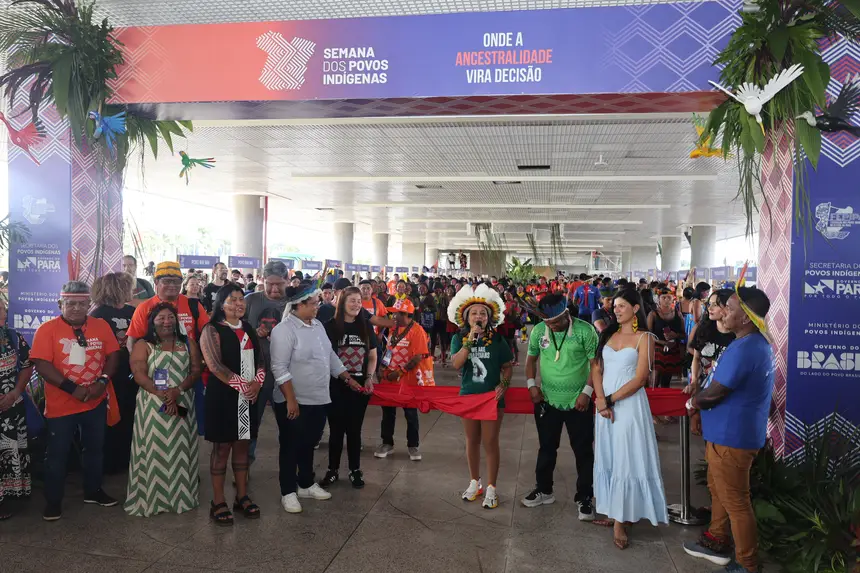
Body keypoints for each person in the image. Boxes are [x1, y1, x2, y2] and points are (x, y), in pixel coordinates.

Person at [683, 286, 775, 573]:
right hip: (724, 434)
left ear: (746, 317)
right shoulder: (745, 342)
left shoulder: (747, 348)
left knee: (736, 502)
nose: (723, 312)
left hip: (733, 438)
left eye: (729, 308)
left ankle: (748, 565)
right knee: (719, 490)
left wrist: (692, 403)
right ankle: (716, 538)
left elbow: (717, 392)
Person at [30, 281, 121, 521]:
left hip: (95, 402)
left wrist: (102, 382)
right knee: (57, 454)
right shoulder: (47, 329)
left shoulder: (101, 326)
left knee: (94, 450)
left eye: (82, 304)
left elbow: (113, 355)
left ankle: (93, 491)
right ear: (60, 304)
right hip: (61, 405)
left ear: (89, 304)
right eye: (70, 304)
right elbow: (41, 364)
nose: (77, 308)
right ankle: (53, 501)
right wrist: (72, 389)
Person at [270, 285, 358, 513]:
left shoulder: (317, 325)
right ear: (298, 306)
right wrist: (291, 399)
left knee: (309, 442)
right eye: (313, 304)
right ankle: (288, 491)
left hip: (318, 397)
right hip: (294, 399)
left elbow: (329, 356)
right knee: (290, 445)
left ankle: (306, 483)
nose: (317, 307)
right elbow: (278, 367)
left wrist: (347, 377)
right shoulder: (284, 330)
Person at [593, 288, 667, 549]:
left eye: (622, 306)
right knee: (609, 455)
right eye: (614, 306)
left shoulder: (645, 338)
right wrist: (600, 399)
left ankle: (621, 521)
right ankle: (612, 509)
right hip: (604, 406)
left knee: (626, 457)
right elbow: (596, 368)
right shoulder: (607, 334)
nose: (616, 310)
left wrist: (610, 400)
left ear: (635, 308)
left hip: (629, 406)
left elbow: (640, 378)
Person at [521, 293, 597, 521]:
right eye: (547, 322)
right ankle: (544, 490)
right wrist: (531, 385)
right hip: (547, 400)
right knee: (546, 447)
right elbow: (530, 360)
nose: (551, 326)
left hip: (579, 402)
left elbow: (595, 365)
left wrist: (587, 392)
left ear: (566, 314)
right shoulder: (539, 331)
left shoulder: (585, 331)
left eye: (555, 322)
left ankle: (585, 497)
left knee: (583, 451)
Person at [126, 303, 203, 517]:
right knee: (153, 447)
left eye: (171, 317)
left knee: (181, 448)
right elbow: (138, 372)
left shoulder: (187, 343)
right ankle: (151, 497)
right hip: (152, 405)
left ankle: (181, 496)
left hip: (182, 401)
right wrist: (162, 394)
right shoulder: (144, 344)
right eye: (161, 318)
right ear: (152, 321)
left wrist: (177, 391)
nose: (167, 322)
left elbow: (196, 371)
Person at [199, 284, 264, 525]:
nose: (238, 303)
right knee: (222, 448)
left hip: (248, 398)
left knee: (242, 446)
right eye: (232, 299)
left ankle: (242, 496)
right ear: (221, 304)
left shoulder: (248, 328)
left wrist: (257, 383)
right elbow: (215, 366)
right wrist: (244, 387)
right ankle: (218, 501)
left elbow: (261, 360)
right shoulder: (211, 329)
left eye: (241, 299)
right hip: (223, 397)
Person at [448, 284, 512, 509]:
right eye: (474, 313)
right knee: (471, 441)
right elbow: (456, 364)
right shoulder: (459, 338)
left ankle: (492, 487)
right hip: (468, 396)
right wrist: (470, 340)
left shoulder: (498, 340)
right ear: (466, 318)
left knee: (490, 441)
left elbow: (507, 366)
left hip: (491, 398)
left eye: (483, 313)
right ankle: (475, 482)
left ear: (489, 318)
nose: (478, 316)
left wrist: (504, 384)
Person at [127, 262, 209, 435]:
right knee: (156, 423)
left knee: (185, 422)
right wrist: (140, 371)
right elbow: (132, 342)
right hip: (153, 380)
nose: (172, 285)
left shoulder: (194, 306)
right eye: (166, 281)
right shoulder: (144, 308)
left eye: (177, 281)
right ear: (156, 282)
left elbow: (207, 335)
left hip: (188, 377)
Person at [320, 287, 377, 489]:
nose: (356, 305)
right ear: (342, 302)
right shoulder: (330, 326)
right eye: (352, 300)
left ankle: (355, 470)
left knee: (354, 430)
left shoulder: (365, 326)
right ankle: (332, 469)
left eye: (359, 301)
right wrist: (344, 378)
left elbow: (372, 356)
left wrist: (369, 378)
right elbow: (326, 357)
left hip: (360, 388)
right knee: (336, 430)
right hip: (335, 386)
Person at [374, 298, 435, 461]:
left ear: (406, 314)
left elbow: (417, 357)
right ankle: (387, 443)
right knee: (388, 411)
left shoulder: (418, 331)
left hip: (408, 379)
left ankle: (413, 446)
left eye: (396, 313)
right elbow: (389, 349)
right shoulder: (393, 328)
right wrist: (382, 368)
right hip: (389, 378)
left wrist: (399, 372)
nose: (393, 316)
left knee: (410, 413)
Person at [90, 272, 138, 474]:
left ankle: (127, 457)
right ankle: (110, 461)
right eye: (128, 286)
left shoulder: (132, 311)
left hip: (133, 372)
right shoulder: (98, 314)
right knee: (111, 416)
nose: (132, 290)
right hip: (108, 374)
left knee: (129, 414)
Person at [0, 297, 34, 520]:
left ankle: (8, 497)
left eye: (2, 308)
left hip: (11, 407)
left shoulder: (13, 337)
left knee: (10, 451)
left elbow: (27, 365)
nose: (2, 313)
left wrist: (15, 392)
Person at [648, 288, 685, 388]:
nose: (666, 300)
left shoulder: (678, 314)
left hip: (672, 349)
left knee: (666, 382)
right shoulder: (653, 314)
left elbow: (683, 334)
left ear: (673, 298)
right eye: (663, 297)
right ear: (658, 299)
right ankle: (652, 397)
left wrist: (675, 335)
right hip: (657, 349)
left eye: (669, 297)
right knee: (654, 380)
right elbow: (648, 335)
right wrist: (663, 342)